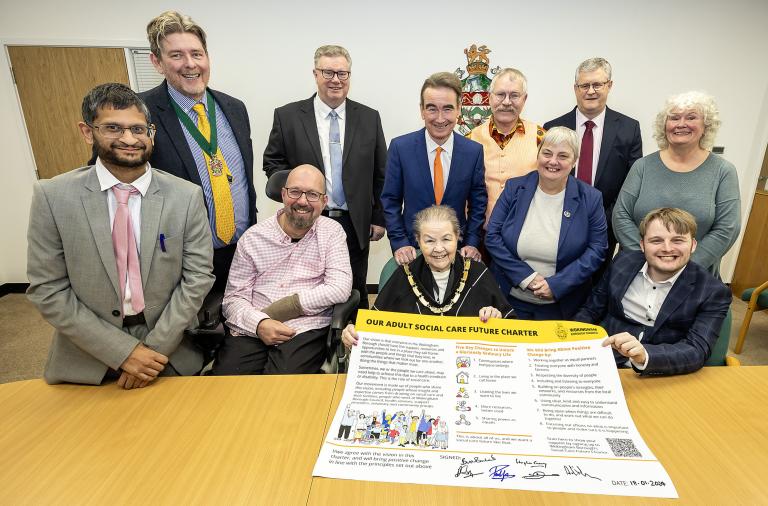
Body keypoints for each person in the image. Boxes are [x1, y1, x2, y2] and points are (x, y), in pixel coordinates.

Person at [26, 83, 214, 387]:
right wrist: (122, 353)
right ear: (88, 132)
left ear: (151, 133)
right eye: (113, 128)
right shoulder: (53, 196)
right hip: (86, 354)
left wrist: (150, 352)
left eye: (138, 130)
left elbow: (198, 278)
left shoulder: (185, 196)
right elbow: (47, 288)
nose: (129, 139)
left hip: (169, 349)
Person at [141, 11, 257, 292]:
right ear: (157, 62)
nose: (190, 64)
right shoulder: (140, 113)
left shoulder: (234, 108)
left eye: (197, 53)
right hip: (181, 260)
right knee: (186, 334)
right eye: (177, 55)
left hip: (241, 252)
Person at [263, 45, 387, 309]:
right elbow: (272, 164)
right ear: (315, 74)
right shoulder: (288, 116)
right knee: (308, 291)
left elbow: (381, 174)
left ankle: (352, 345)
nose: (336, 80)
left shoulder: (369, 117)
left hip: (354, 224)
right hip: (306, 222)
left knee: (354, 291)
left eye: (343, 73)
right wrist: (297, 194)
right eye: (328, 72)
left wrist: (378, 217)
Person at [211, 165, 352, 375]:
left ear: (324, 202)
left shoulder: (332, 232)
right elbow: (233, 299)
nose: (303, 201)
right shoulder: (253, 238)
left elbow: (340, 287)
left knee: (282, 386)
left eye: (312, 194)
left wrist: (287, 307)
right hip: (253, 326)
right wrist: (260, 323)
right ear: (283, 194)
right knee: (227, 381)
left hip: (306, 327)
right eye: (295, 191)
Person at [574, 208, 732, 375]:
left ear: (693, 245)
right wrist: (569, 340)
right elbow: (591, 309)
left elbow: (697, 349)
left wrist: (646, 356)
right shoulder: (622, 262)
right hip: (604, 361)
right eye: (656, 241)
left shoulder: (713, 291)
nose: (667, 248)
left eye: (677, 240)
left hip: (662, 373)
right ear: (642, 245)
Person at [342, 206, 514, 348]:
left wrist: (496, 319)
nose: (439, 249)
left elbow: (511, 328)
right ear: (418, 241)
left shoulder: (478, 273)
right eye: (430, 241)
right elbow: (373, 329)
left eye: (446, 239)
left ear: (457, 238)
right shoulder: (404, 275)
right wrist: (353, 334)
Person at [612, 91, 740, 278]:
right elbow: (621, 216)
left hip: (694, 275)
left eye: (691, 117)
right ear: (664, 126)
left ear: (706, 125)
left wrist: (682, 267)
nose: (681, 124)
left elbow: (728, 228)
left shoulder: (723, 171)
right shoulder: (643, 166)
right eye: (674, 118)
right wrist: (649, 261)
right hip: (636, 271)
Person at [485, 127, 607, 320]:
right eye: (547, 153)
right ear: (538, 154)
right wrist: (527, 277)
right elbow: (492, 236)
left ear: (574, 161)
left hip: (563, 306)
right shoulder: (514, 188)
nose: (553, 161)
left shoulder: (591, 198)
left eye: (563, 156)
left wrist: (557, 285)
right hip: (509, 300)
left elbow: (597, 249)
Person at [544, 58, 642, 266]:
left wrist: (607, 220)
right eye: (584, 85)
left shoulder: (628, 128)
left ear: (609, 85)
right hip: (557, 222)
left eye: (597, 84)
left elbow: (633, 183)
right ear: (575, 88)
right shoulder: (553, 127)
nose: (590, 91)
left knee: (597, 285)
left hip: (606, 225)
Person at [381, 72, 486, 266]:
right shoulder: (400, 148)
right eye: (431, 109)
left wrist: (471, 243)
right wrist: (400, 243)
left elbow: (478, 205)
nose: (439, 118)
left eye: (447, 109)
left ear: (459, 110)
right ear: (421, 110)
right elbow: (390, 201)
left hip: (457, 251)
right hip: (412, 252)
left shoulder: (473, 152)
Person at [466, 68, 544, 225]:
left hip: (525, 234)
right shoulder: (470, 140)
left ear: (524, 99)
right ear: (489, 97)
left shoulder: (541, 137)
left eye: (514, 95)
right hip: (479, 236)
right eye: (500, 95)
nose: (507, 102)